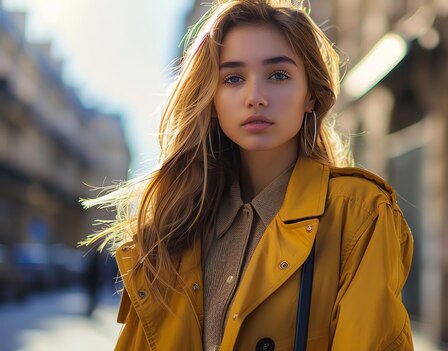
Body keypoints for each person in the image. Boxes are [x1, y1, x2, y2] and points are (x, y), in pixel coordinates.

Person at [82, 0, 414, 349]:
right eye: (234, 78)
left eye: (279, 75)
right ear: (211, 98)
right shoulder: (174, 226)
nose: (255, 97)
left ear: (311, 96)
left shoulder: (360, 214)